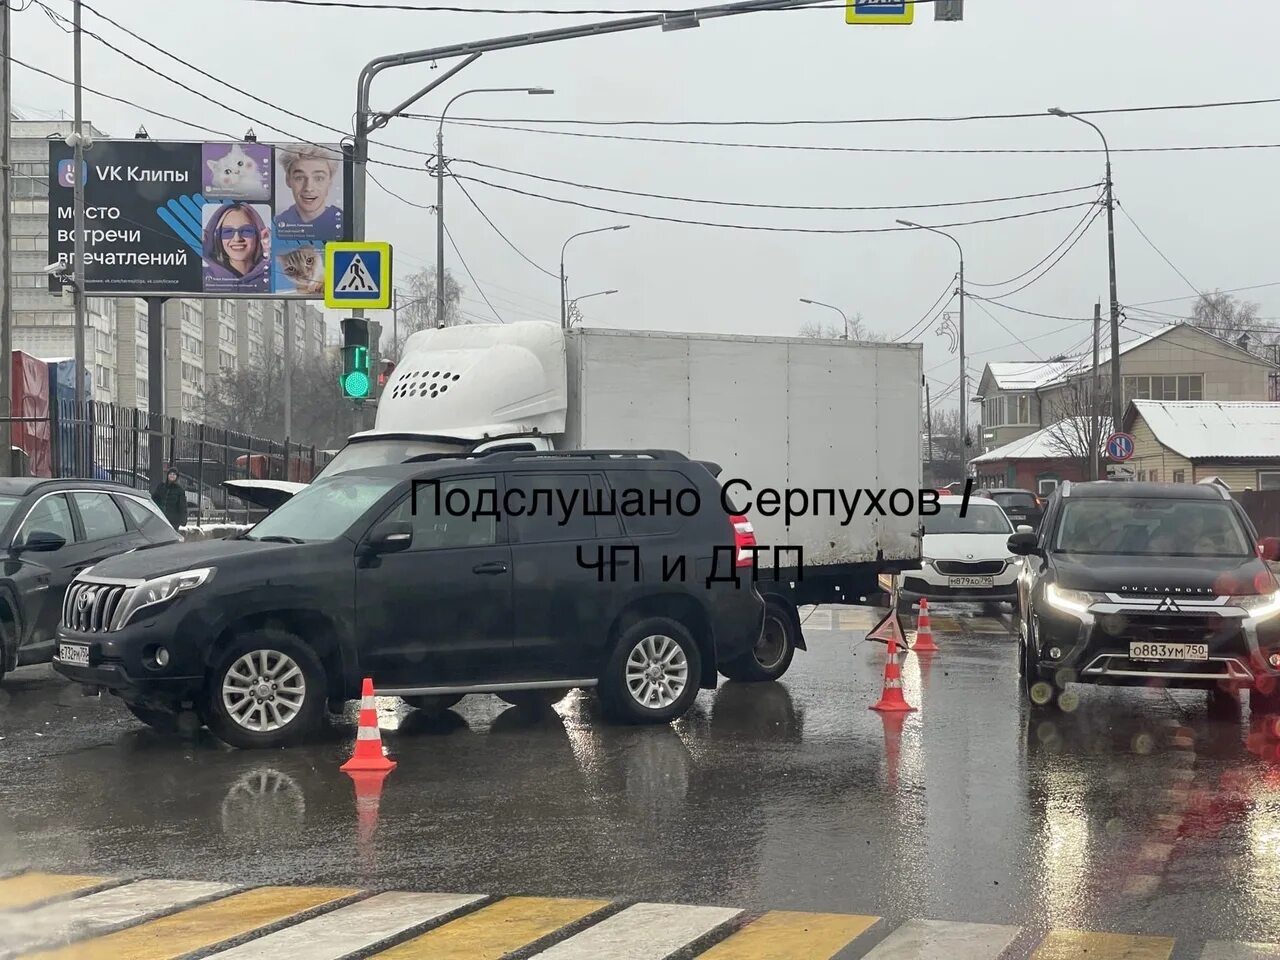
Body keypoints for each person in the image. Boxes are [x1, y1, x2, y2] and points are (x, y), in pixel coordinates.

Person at [274, 144, 343, 239]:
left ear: (330, 181)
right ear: (288, 180)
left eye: (319, 178)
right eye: (300, 178)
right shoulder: (275, 225)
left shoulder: (344, 223)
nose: (308, 188)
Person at [203, 202, 270, 291]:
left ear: (259, 236)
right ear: (217, 238)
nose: (237, 238)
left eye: (246, 230)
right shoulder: (202, 276)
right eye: (228, 231)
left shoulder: (272, 277)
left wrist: (270, 254)